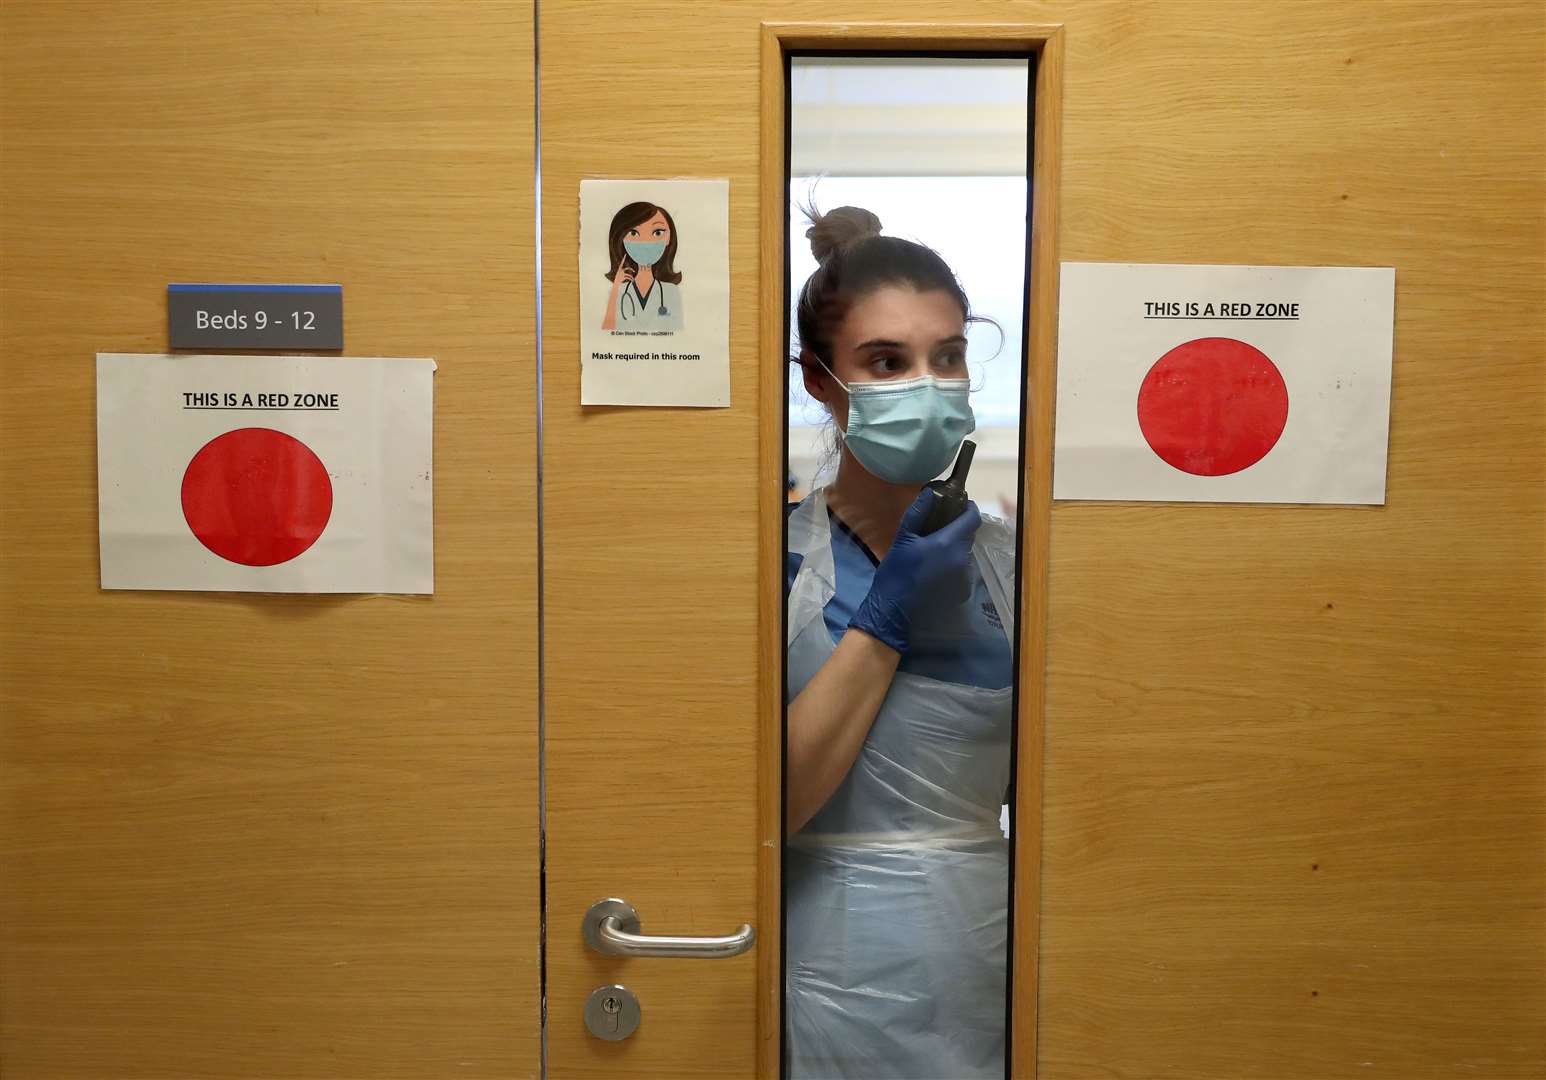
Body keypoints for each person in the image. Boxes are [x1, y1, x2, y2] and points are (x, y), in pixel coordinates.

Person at [784, 205, 1015, 1079]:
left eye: (947, 356)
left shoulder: (1016, 572)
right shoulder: (773, 571)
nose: (927, 383)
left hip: (986, 970)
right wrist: (885, 619)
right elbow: (762, 813)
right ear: (819, 379)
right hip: (819, 981)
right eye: (887, 361)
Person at [601, 201, 685, 332]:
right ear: (621, 239)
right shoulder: (619, 291)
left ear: (668, 237)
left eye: (657, 233)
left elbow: (678, 336)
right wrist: (616, 286)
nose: (646, 242)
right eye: (633, 233)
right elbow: (607, 331)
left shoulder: (671, 292)